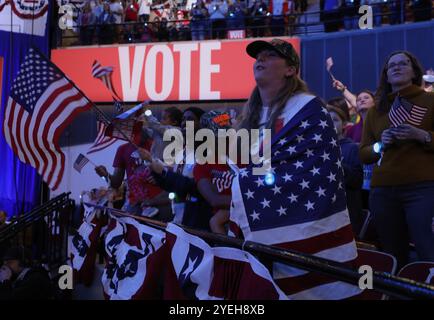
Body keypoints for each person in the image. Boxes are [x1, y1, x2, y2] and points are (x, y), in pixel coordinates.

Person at [230, 39, 359, 299]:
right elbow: (245, 165)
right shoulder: (252, 117)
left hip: (303, 228)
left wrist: (242, 182)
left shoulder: (309, 108)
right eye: (258, 57)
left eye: (269, 55)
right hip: (257, 228)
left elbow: (312, 170)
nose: (260, 60)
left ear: (290, 69)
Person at [359, 51, 434, 267]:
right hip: (383, 191)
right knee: (392, 255)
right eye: (392, 66)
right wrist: (379, 144)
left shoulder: (430, 100)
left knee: (427, 250)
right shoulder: (376, 111)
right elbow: (364, 153)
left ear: (414, 71)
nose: (397, 67)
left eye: (403, 63)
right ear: (386, 75)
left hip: (423, 189)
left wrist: (423, 135)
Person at [193, 110, 234, 234]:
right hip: (230, 224)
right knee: (215, 222)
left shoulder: (247, 155)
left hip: (256, 214)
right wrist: (248, 200)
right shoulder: (203, 165)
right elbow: (214, 200)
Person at [327, 105, 363, 235]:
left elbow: (356, 180)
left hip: (346, 213)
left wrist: (334, 162)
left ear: (344, 125)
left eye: (335, 120)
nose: (330, 123)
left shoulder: (352, 148)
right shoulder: (316, 151)